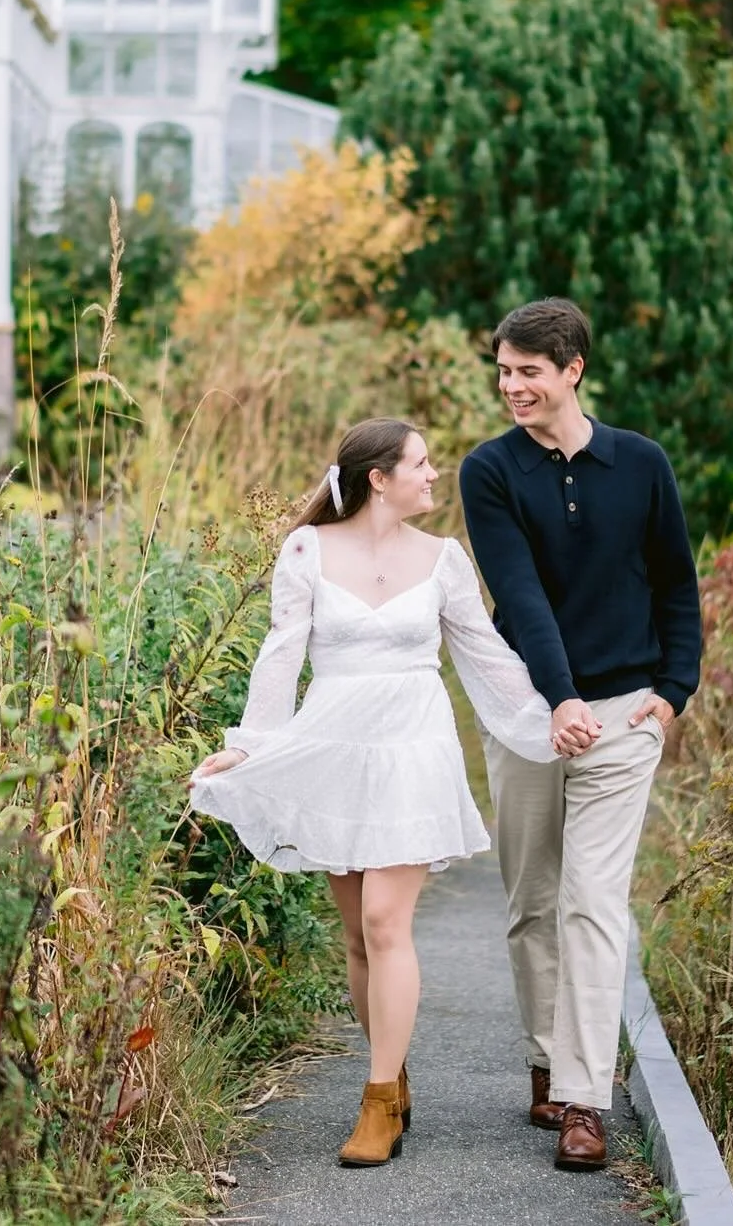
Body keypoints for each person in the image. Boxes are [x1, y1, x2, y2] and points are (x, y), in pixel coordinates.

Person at [188, 417, 596, 1170]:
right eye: (420, 463)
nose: (434, 473)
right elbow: (279, 658)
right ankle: (393, 1068)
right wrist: (245, 747)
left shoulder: (444, 560)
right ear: (379, 478)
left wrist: (550, 719)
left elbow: (488, 658)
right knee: (355, 937)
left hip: (414, 747)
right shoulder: (307, 549)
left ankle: (377, 1101)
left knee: (384, 920)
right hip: (334, 746)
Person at [459, 298, 702, 1173]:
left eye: (528, 370)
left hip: (623, 715)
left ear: (572, 370)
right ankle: (544, 1059)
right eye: (503, 371)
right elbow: (517, 592)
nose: (512, 386)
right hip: (529, 714)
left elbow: (677, 582)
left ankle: (584, 1100)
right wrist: (555, 699)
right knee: (530, 901)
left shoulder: (639, 463)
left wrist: (673, 690)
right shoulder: (489, 472)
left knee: (592, 904)